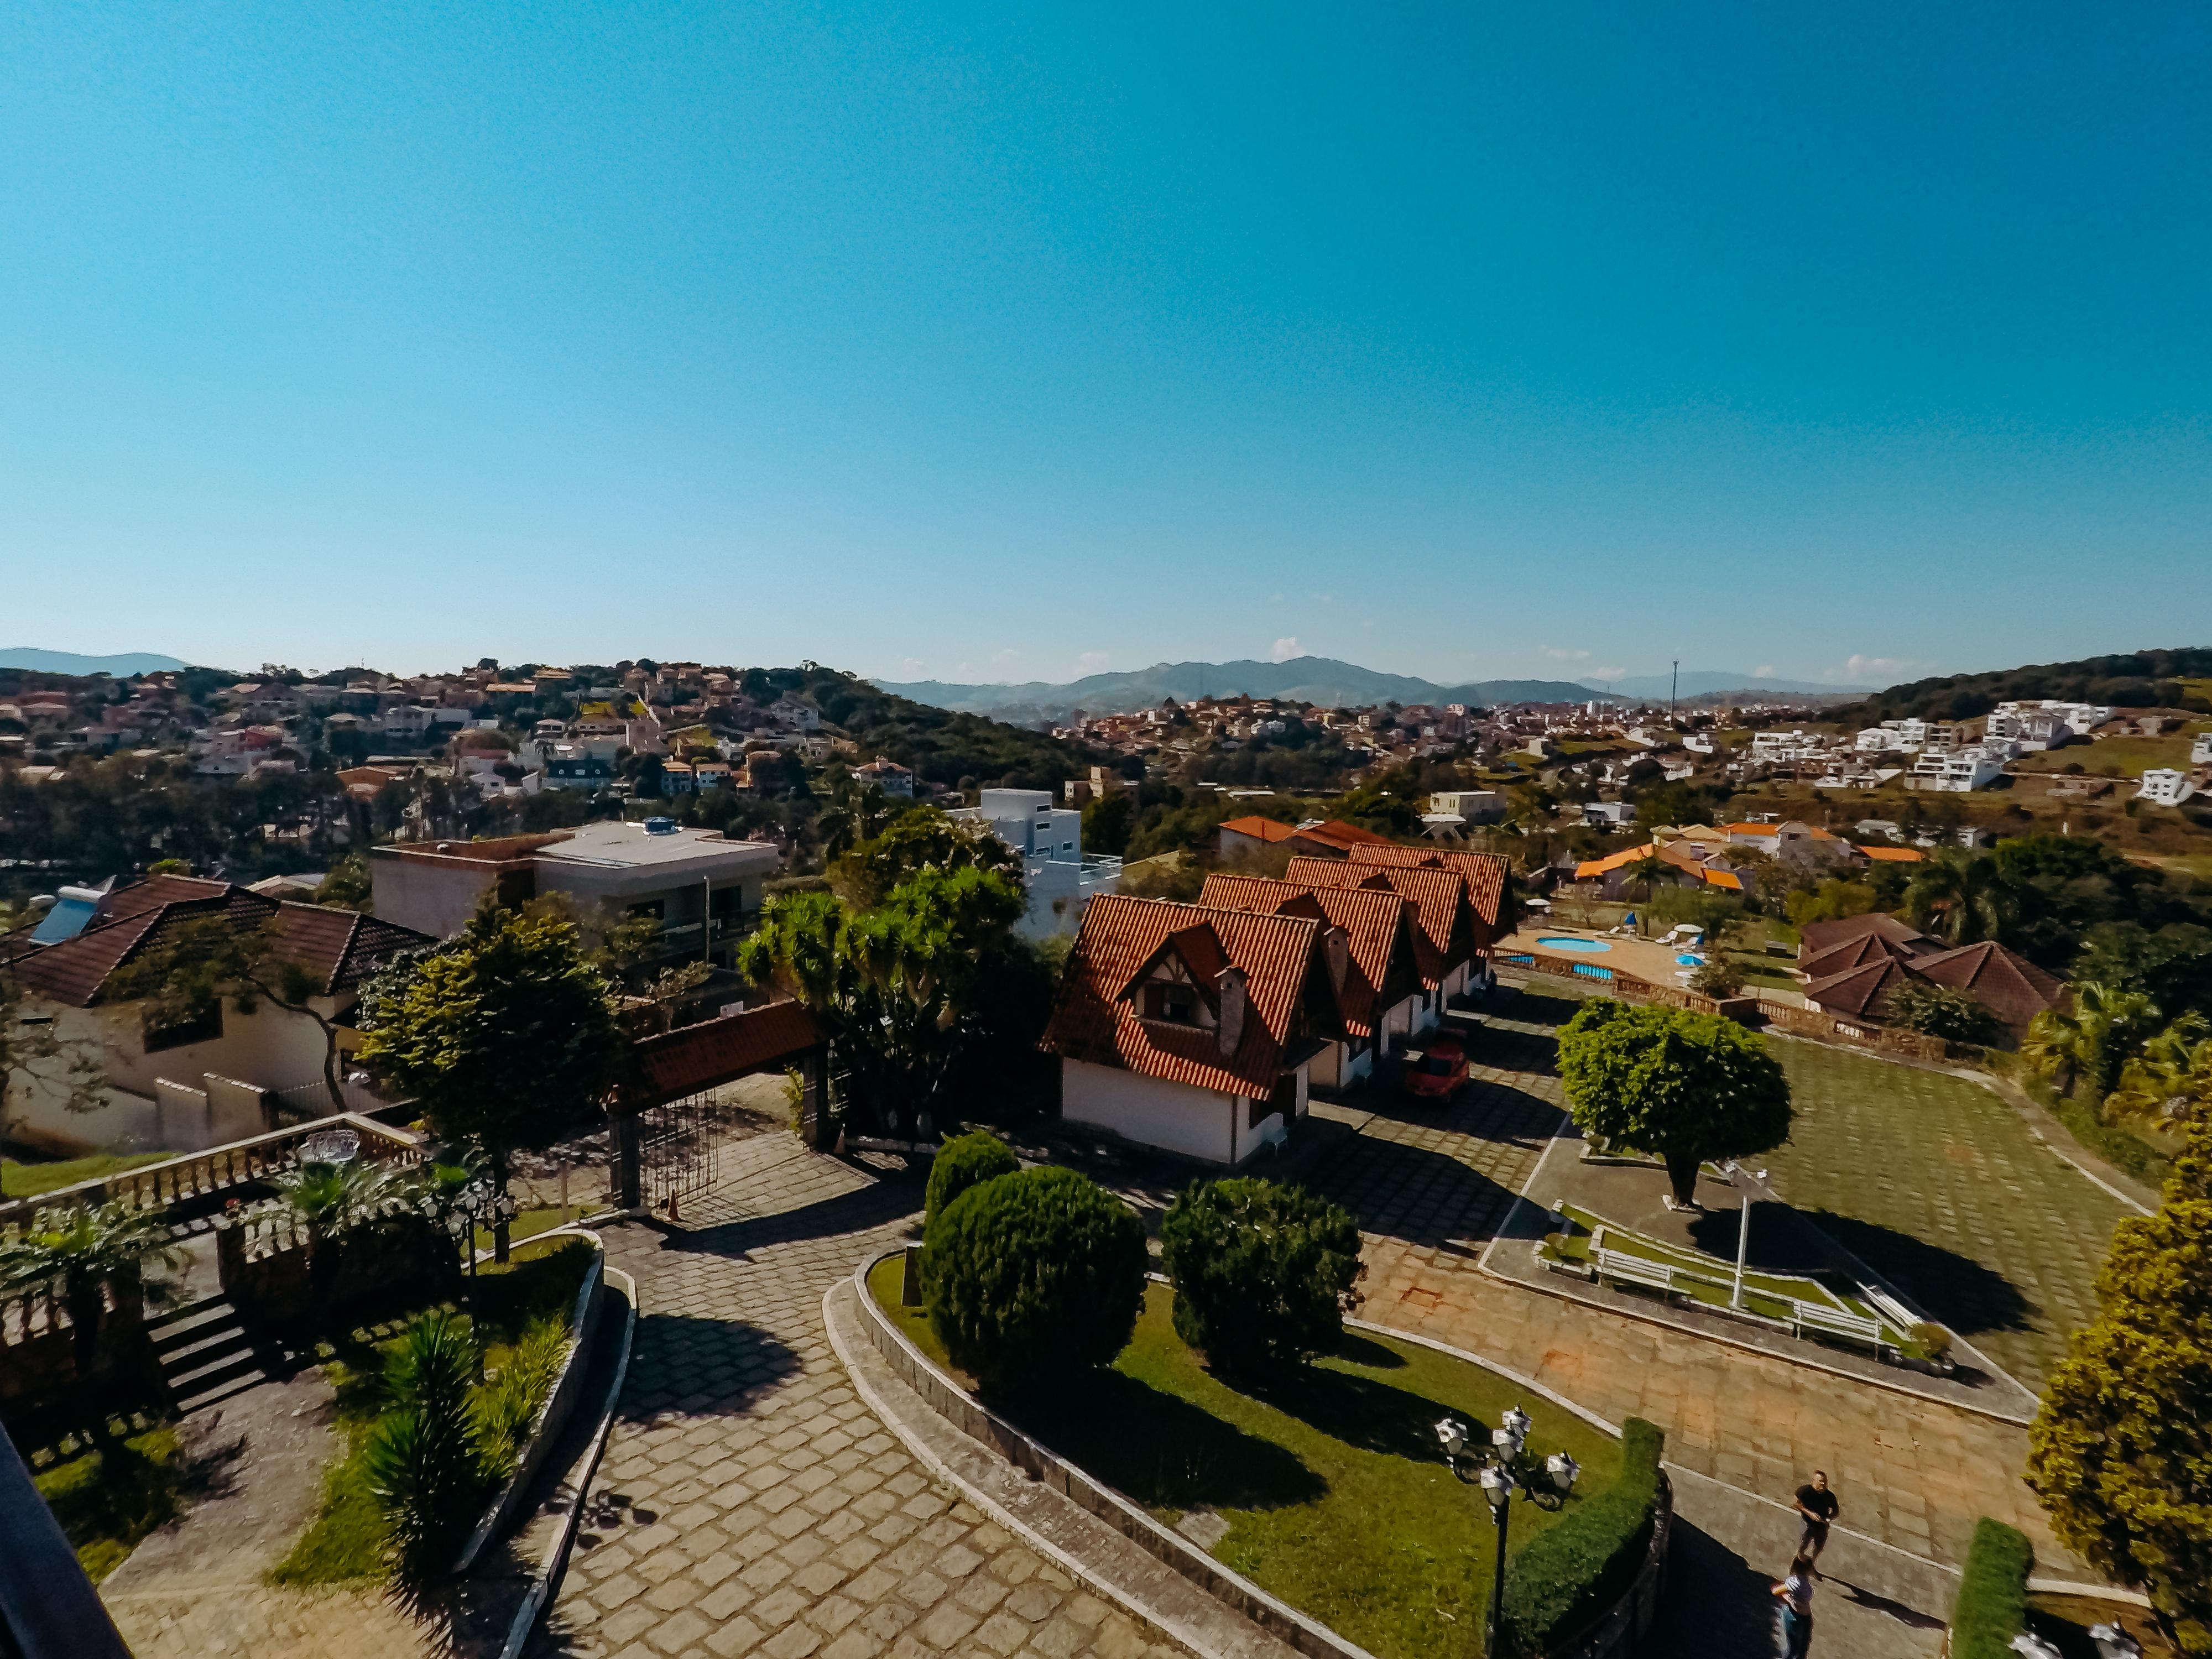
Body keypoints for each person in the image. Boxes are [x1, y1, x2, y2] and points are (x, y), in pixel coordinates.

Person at [1772, 1550, 1817, 1656]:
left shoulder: (1797, 1580)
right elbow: (1775, 1591)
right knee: (1794, 1651)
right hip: (1795, 1617)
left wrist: (1791, 1599)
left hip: (1801, 1617)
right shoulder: (1796, 1582)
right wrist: (1792, 1600)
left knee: (1801, 1650)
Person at [1793, 1470, 1840, 1571]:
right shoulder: (1805, 1491)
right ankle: (1798, 1562)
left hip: (1822, 1526)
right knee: (1803, 1544)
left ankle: (1811, 1565)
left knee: (1819, 1547)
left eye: (1825, 1481)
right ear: (1814, 1481)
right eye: (1821, 1481)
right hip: (1807, 1524)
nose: (1823, 1484)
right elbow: (1795, 1503)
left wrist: (1828, 1519)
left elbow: (1836, 1512)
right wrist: (1810, 1513)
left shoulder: (1830, 1496)